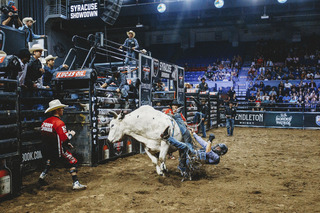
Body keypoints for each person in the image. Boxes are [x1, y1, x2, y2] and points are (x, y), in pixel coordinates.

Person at [39, 99, 87, 190]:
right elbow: (64, 138)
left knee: (50, 160)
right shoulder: (59, 123)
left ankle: (42, 176)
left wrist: (66, 143)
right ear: (57, 110)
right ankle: (76, 183)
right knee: (73, 161)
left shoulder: (45, 122)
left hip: (46, 149)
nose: (63, 110)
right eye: (61, 108)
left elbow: (51, 136)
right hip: (57, 150)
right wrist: (71, 134)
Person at [160, 127, 228, 169]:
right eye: (217, 146)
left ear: (221, 152)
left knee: (185, 146)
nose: (216, 147)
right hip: (193, 153)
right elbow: (202, 142)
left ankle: (167, 137)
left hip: (193, 159)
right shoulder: (210, 148)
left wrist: (210, 140)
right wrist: (194, 133)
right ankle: (178, 118)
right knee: (187, 137)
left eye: (219, 148)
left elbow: (208, 151)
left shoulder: (216, 158)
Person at [164, 100, 193, 174]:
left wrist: (186, 125)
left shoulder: (179, 113)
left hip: (178, 130)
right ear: (171, 106)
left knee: (183, 142)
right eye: (174, 105)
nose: (175, 106)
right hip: (170, 129)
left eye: (176, 105)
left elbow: (184, 121)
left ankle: (183, 162)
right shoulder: (167, 111)